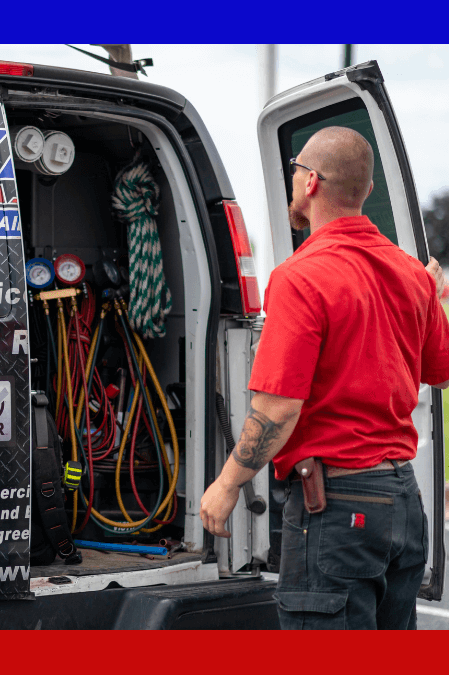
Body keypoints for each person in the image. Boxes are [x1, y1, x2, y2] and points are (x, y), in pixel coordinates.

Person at [200, 126, 449, 630]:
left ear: (311, 182)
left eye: (295, 172)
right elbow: (440, 374)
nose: (293, 182)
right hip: (403, 502)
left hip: (338, 511)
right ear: (368, 191)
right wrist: (436, 301)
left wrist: (227, 485)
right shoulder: (410, 273)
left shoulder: (300, 275)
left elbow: (278, 408)